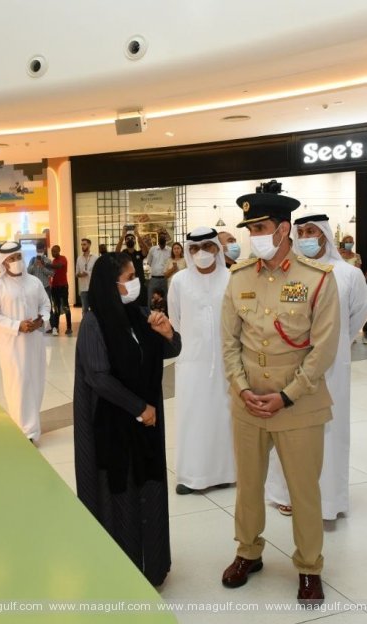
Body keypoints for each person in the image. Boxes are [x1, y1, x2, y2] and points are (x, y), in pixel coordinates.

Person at [220, 181, 340, 604]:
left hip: (300, 405)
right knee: (248, 486)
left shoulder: (318, 280)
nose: (253, 236)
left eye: (262, 226)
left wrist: (287, 395)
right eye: (249, 228)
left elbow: (323, 348)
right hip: (249, 403)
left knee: (303, 490)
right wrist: (240, 387)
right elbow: (229, 342)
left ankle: (309, 566)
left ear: (284, 229)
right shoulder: (238, 278)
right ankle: (248, 552)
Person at [74, 252, 181, 586]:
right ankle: (122, 568)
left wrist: (167, 333)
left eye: (136, 275)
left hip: (144, 426)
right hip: (114, 425)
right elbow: (98, 377)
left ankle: (153, 564)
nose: (136, 282)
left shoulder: (142, 314)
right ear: (110, 283)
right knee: (118, 492)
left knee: (146, 487)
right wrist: (139, 408)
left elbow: (172, 349)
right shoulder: (95, 322)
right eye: (128, 276)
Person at [266, 213, 367, 519]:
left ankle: (328, 501)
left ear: (325, 234)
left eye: (313, 231)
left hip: (334, 366)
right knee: (291, 428)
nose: (308, 236)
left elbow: (357, 317)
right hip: (294, 364)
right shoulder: (292, 272)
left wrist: (333, 347)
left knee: (330, 431)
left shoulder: (349, 275)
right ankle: (287, 494)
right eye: (303, 231)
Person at [168, 227, 235, 495]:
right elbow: (175, 322)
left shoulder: (232, 278)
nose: (201, 254)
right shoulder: (180, 281)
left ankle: (224, 473)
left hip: (226, 359)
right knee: (192, 415)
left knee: (223, 414)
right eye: (194, 249)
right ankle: (191, 476)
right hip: (191, 361)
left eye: (207, 247)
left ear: (217, 249)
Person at [0, 241, 51, 442]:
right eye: (11, 259)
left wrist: (41, 320)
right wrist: (16, 326)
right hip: (11, 344)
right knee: (18, 384)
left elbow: (45, 305)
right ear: (3, 262)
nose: (16, 262)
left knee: (36, 382)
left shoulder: (34, 282)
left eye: (18, 257)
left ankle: (30, 426)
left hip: (35, 343)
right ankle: (26, 432)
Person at [116, 225, 149, 306]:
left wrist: (137, 234)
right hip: (127, 284)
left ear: (135, 241)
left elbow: (146, 250)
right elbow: (116, 252)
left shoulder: (138, 253)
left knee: (141, 305)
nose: (130, 240)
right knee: (129, 306)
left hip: (139, 282)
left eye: (132, 238)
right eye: (127, 239)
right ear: (125, 242)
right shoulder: (123, 253)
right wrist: (123, 235)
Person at [50, 244, 73, 335]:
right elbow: (51, 272)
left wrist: (46, 264)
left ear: (59, 251)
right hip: (54, 287)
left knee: (66, 306)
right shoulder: (53, 262)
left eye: (54, 251)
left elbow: (59, 266)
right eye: (52, 251)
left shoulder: (63, 258)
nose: (53, 253)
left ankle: (69, 327)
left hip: (63, 287)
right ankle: (56, 327)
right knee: (56, 307)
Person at [146, 230, 172, 303]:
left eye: (163, 236)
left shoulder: (170, 250)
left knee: (167, 298)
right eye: (160, 236)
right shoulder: (152, 249)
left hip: (166, 279)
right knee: (151, 298)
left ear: (166, 238)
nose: (162, 238)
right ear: (158, 238)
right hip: (154, 278)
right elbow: (149, 262)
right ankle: (150, 314)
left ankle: (167, 314)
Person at [76, 237, 97, 313]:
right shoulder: (79, 258)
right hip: (83, 289)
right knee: (84, 310)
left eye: (84, 244)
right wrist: (81, 274)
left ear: (89, 245)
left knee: (94, 309)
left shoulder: (95, 257)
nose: (82, 246)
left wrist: (88, 273)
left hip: (93, 288)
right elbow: (77, 274)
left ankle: (94, 324)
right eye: (82, 245)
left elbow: (97, 273)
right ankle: (85, 325)